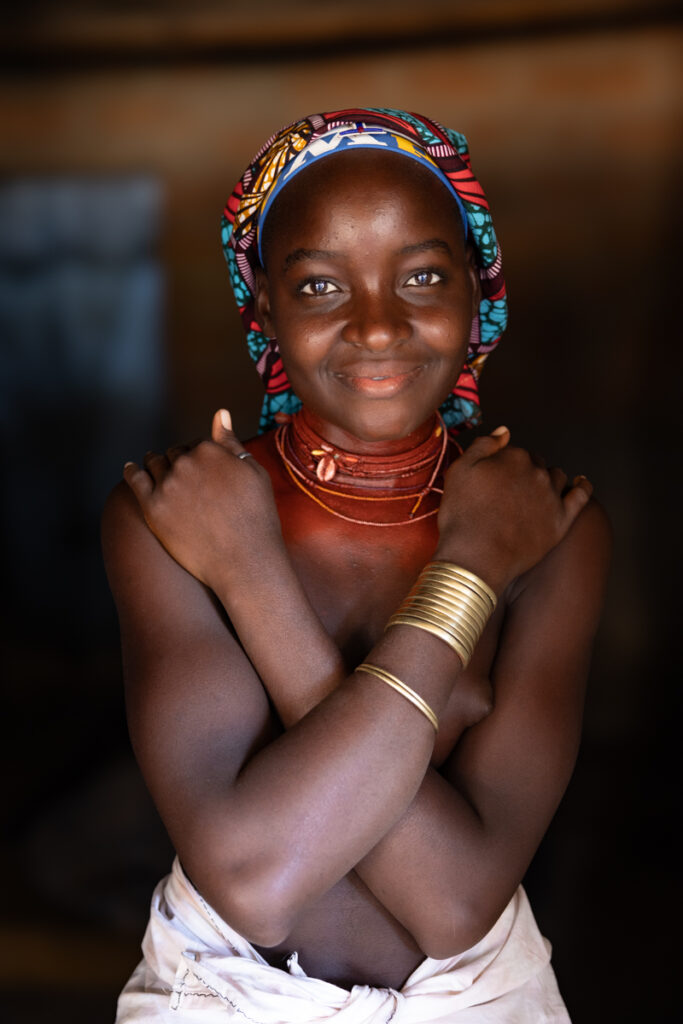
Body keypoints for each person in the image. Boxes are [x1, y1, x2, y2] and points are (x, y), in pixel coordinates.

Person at [102, 108, 610, 1022]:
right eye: (320, 287)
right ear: (263, 307)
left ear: (477, 287)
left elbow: (455, 904)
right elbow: (256, 879)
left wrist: (471, 560)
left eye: (420, 275)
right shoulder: (176, 514)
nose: (378, 327)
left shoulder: (545, 531)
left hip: (480, 997)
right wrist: (256, 561)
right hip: (219, 993)